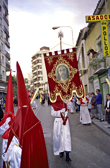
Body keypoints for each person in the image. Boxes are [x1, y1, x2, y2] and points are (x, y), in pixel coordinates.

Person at [51, 96, 71, 162]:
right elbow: (52, 113)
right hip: (58, 122)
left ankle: (67, 154)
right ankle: (60, 151)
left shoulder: (65, 103)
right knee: (58, 137)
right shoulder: (53, 104)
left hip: (65, 122)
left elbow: (70, 108)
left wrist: (68, 102)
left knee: (66, 137)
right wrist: (59, 112)